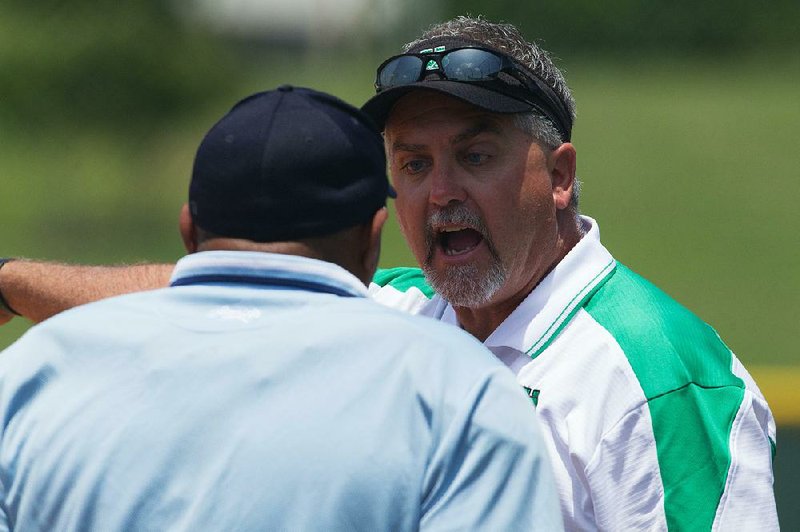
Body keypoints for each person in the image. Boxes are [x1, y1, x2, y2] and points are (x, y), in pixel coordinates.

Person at [0, 15, 778, 531]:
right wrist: (12, 281)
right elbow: (197, 301)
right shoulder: (401, 309)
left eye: (475, 156)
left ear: (561, 173)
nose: (440, 193)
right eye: (413, 163)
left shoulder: (661, 373)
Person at [0, 86, 563, 531]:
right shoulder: (463, 389)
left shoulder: (30, 374)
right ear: (373, 239)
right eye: (415, 165)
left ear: (188, 230)